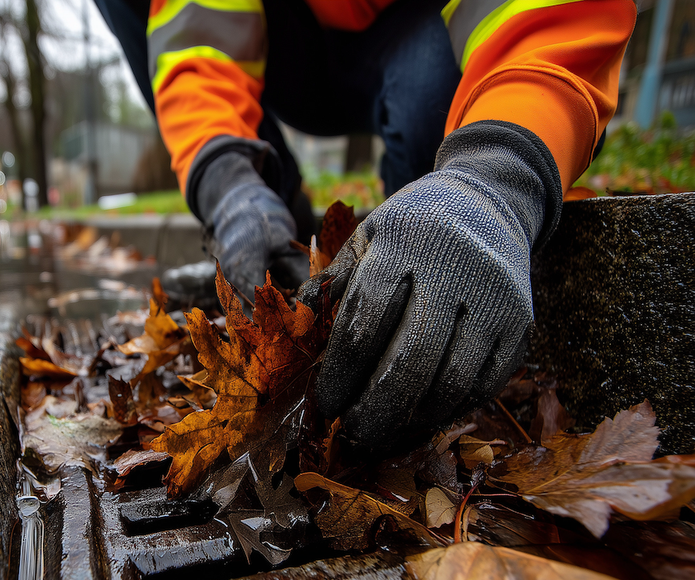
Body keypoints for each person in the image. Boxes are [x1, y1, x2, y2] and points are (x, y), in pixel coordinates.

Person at [94, 0, 635, 446]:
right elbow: (196, 37)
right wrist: (230, 186)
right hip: (284, 43)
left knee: (430, 101)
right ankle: (277, 229)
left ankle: (428, 199)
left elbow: (556, 14)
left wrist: (496, 174)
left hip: (420, 33)